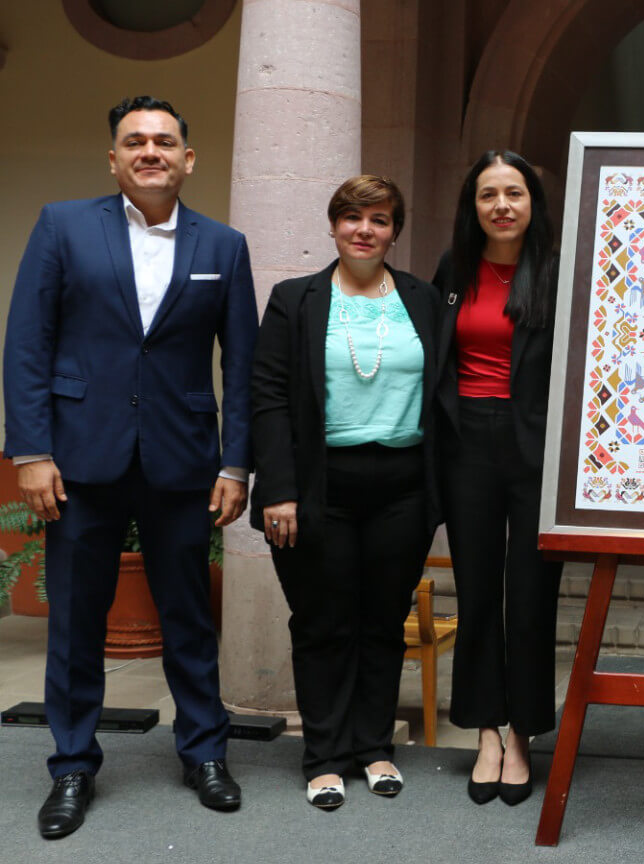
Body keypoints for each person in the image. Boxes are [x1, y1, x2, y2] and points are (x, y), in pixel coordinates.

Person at [3, 96, 257, 839]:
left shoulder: (224, 246)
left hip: (182, 461)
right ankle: (74, 767)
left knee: (188, 617)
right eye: (135, 141)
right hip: (78, 460)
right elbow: (27, 344)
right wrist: (31, 451)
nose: (151, 151)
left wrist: (236, 464)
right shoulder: (62, 227)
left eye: (165, 141)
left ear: (188, 158)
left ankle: (205, 752)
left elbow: (237, 366)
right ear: (113, 159)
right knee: (77, 623)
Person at [249, 175, 440, 809]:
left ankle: (374, 748)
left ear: (394, 230)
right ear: (333, 226)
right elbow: (269, 398)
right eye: (352, 217)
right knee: (324, 623)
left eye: (380, 219)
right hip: (316, 486)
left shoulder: (423, 299)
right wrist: (277, 489)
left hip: (403, 485)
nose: (365, 229)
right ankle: (325, 755)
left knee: (384, 623)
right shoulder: (293, 299)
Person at [433, 151, 562, 807]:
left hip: (537, 446)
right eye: (489, 194)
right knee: (479, 588)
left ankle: (524, 733)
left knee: (532, 593)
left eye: (515, 192)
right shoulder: (454, 270)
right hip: (468, 444)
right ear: (473, 205)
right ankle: (486, 729)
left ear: (533, 202)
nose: (502, 205)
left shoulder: (559, 274)